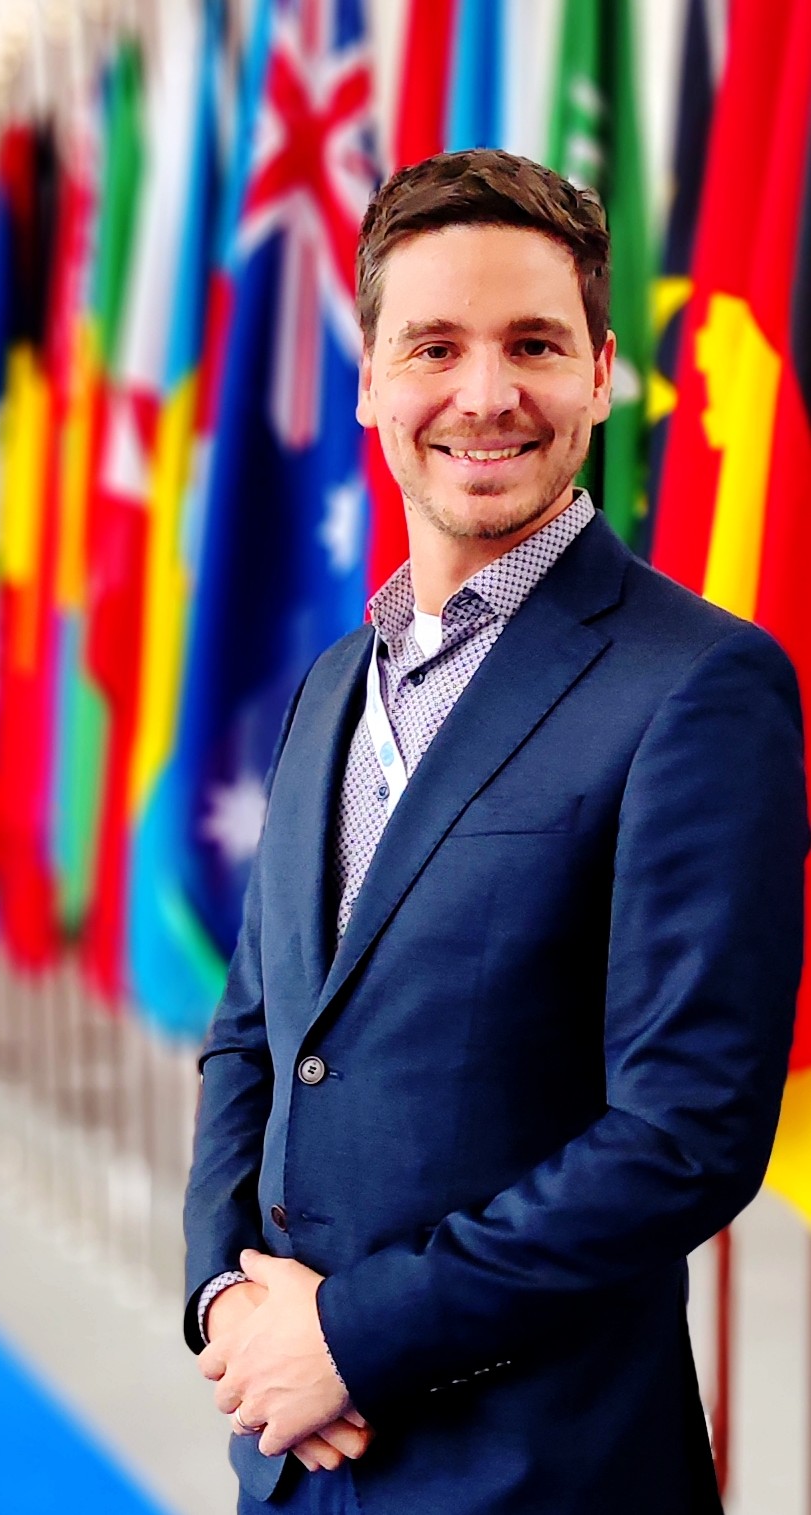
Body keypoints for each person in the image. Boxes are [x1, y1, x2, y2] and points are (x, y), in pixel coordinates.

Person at [182, 149, 808, 1515]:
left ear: (600, 371)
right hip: (296, 1463)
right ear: (366, 379)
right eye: (433, 346)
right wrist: (226, 1295)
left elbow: (685, 1135)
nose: (484, 393)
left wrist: (353, 1336)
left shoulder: (701, 687)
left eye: (534, 341)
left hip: (545, 1473)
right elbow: (255, 1027)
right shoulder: (333, 681)